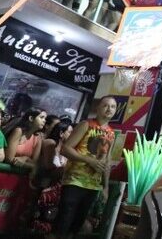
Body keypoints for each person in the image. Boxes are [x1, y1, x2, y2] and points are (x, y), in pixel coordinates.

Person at [54, 96, 116, 238]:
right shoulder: (86, 124)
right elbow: (66, 149)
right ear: (97, 108)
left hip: (93, 185)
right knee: (63, 223)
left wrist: (105, 186)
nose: (109, 109)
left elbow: (108, 160)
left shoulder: (111, 133)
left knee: (76, 225)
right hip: (74, 180)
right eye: (105, 105)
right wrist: (88, 160)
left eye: (112, 107)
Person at [33, 121, 72, 234]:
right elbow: (48, 166)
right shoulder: (50, 143)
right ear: (61, 133)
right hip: (43, 190)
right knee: (38, 224)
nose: (72, 135)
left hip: (57, 194)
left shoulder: (66, 151)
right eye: (70, 132)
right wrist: (66, 168)